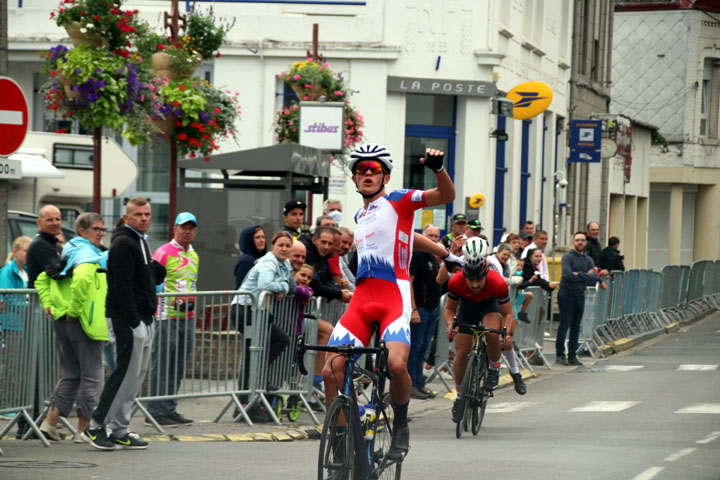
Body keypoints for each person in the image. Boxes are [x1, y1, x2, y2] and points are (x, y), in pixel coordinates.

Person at [323, 144, 456, 461]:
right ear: (355, 178)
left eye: (374, 169)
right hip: (362, 300)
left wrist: (438, 169)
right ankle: (340, 443)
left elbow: (445, 196)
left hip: (393, 298)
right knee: (331, 371)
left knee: (396, 365)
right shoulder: (360, 214)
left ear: (386, 175)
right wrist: (443, 253)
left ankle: (400, 426)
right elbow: (411, 238)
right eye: (361, 169)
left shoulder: (398, 200)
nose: (367, 173)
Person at [82, 197, 164, 451]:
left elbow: (143, 278)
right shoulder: (123, 243)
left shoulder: (140, 241)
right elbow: (121, 287)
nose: (144, 218)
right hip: (127, 319)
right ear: (126, 217)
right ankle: (95, 426)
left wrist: (155, 271)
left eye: (147, 214)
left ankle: (119, 429)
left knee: (135, 377)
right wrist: (133, 320)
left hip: (142, 317)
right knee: (124, 374)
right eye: (138, 214)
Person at [35, 213, 109, 442]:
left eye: (101, 229)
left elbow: (42, 279)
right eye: (96, 229)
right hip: (83, 322)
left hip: (63, 321)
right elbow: (82, 281)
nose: (100, 233)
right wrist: (74, 312)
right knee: (92, 376)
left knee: (70, 374)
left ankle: (50, 422)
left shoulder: (68, 251)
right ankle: (83, 430)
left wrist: (50, 304)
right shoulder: (87, 255)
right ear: (83, 231)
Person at [444, 244, 514, 422]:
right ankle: (459, 395)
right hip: (467, 309)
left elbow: (508, 313)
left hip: (489, 307)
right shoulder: (456, 281)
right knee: (461, 353)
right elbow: (449, 308)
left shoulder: (497, 282)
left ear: (485, 275)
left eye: (479, 280)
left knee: (492, 333)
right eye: (471, 280)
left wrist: (504, 334)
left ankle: (493, 366)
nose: (475, 285)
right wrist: (451, 325)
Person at [232, 232, 293, 422]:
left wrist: (281, 286)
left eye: (287, 245)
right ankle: (243, 406)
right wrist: (280, 286)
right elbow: (265, 283)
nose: (284, 248)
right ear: (273, 246)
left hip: (259, 312)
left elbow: (291, 285)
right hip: (245, 310)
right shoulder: (269, 262)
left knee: (281, 339)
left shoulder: (285, 264)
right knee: (251, 356)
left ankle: (257, 379)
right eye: (280, 245)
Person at [146, 212, 199, 427]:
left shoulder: (194, 254)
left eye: (191, 228)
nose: (187, 231)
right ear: (175, 228)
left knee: (178, 365)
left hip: (188, 316)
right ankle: (155, 410)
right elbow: (152, 282)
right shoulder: (163, 252)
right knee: (163, 363)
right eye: (183, 227)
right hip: (166, 316)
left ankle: (169, 408)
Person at [556, 232, 602, 366]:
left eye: (582, 240)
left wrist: (579, 275)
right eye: (577, 240)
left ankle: (572, 355)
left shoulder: (588, 260)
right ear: (573, 242)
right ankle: (560, 354)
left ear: (586, 242)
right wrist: (585, 275)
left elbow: (594, 277)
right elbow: (567, 275)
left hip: (580, 295)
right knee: (564, 324)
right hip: (566, 294)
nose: (580, 242)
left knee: (576, 326)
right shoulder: (567, 257)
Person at [487, 243, 527, 395]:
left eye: (507, 255)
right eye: (503, 254)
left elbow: (504, 283)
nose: (505, 257)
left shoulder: (500, 268)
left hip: (498, 304)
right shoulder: (489, 262)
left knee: (505, 338)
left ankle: (515, 372)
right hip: (478, 304)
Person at [408, 224, 442, 400]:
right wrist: (413, 309)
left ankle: (419, 383)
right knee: (415, 347)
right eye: (430, 236)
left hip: (431, 310)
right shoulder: (417, 255)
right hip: (419, 309)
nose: (434, 239)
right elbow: (409, 282)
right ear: (423, 236)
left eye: (436, 236)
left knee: (423, 348)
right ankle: (411, 385)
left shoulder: (432, 257)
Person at [300, 226, 352, 303]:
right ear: (314, 240)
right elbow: (314, 284)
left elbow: (327, 280)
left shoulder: (322, 254)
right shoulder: (309, 252)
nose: (327, 247)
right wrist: (339, 294)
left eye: (330, 244)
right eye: (323, 242)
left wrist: (340, 291)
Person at [26, 205, 63, 288]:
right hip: (41, 297)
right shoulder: (39, 244)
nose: (55, 223)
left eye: (58, 219)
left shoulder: (56, 245)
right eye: (49, 220)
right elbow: (56, 271)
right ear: (39, 222)